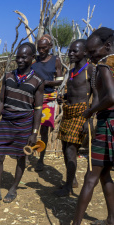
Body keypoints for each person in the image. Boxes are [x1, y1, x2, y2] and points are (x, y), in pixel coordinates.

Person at [55, 27, 114, 225]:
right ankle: (111, 219)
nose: (91, 56)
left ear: (106, 47)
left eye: (92, 52)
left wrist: (90, 112)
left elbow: (110, 97)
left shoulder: (105, 66)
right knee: (105, 173)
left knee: (91, 175)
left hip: (108, 123)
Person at [0, 43, 44, 204]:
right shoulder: (9, 76)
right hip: (7, 121)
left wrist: (34, 132)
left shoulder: (37, 81)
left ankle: (13, 188)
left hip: (25, 123)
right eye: (18, 57)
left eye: (24, 57)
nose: (20, 60)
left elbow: (38, 109)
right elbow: (1, 100)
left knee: (21, 156)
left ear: (32, 58)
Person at [54, 40, 93, 197]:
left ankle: (68, 186)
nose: (71, 53)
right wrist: (62, 97)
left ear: (84, 52)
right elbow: (74, 91)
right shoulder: (71, 72)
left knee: (71, 150)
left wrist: (89, 118)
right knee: (65, 149)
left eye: (75, 51)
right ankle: (73, 180)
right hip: (68, 112)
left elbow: (96, 95)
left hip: (81, 113)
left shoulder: (90, 70)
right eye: (70, 51)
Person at [31, 34, 64, 171]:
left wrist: (45, 83)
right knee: (30, 127)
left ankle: (41, 159)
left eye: (44, 48)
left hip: (48, 97)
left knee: (44, 129)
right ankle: (27, 153)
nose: (41, 51)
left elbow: (60, 79)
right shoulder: (34, 60)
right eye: (39, 48)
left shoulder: (56, 61)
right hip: (33, 97)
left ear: (50, 47)